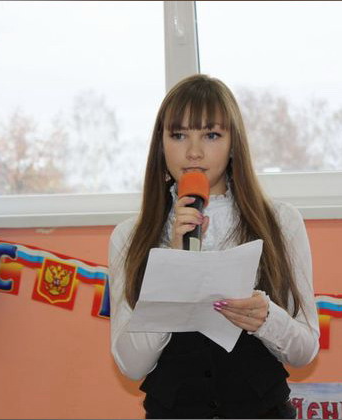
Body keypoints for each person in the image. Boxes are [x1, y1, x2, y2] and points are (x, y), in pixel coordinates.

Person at [108, 74, 319, 419]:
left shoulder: (281, 222)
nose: (193, 151)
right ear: (160, 145)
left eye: (211, 135)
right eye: (178, 135)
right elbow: (131, 365)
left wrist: (267, 319)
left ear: (234, 144)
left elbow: (304, 351)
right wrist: (173, 266)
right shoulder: (129, 236)